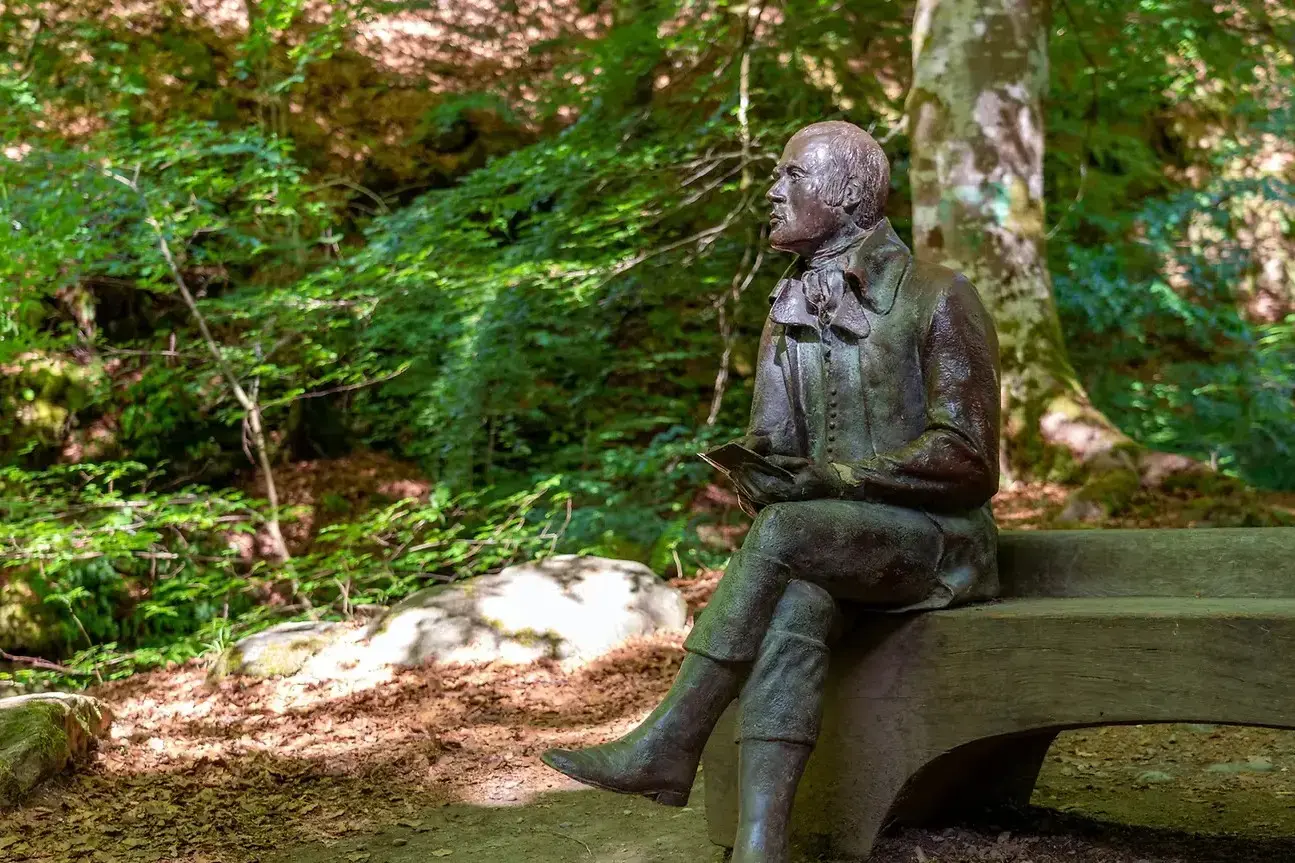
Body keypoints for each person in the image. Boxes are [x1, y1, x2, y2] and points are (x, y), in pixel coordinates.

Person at [541, 120, 1001, 863]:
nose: (771, 188)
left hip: (936, 546)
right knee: (797, 601)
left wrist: (839, 478)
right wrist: (759, 473)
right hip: (829, 547)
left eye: (790, 175)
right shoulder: (788, 303)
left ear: (847, 194)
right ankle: (761, 845)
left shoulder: (936, 296)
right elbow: (775, 445)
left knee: (788, 538)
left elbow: (969, 459)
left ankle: (668, 738)